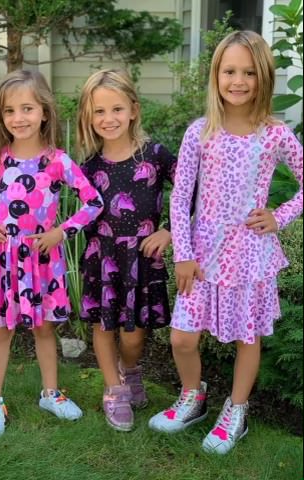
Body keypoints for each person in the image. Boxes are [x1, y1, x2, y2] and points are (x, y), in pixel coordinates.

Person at [149, 30, 303, 454]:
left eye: (249, 72)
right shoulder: (200, 131)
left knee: (246, 339)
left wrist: (279, 216)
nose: (239, 80)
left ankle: (236, 410)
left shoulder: (274, 135)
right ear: (216, 75)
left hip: (249, 257)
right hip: (199, 256)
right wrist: (183, 254)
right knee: (182, 337)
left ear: (264, 77)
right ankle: (193, 396)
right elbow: (181, 197)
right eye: (230, 70)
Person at [0, 70, 103, 437]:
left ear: (44, 111)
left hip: (41, 261)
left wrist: (61, 231)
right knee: (1, 331)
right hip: (4, 260)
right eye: (9, 111)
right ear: (1, 117)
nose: (18, 118)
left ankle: (51, 393)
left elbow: (94, 201)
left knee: (44, 329)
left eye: (27, 108)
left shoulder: (59, 161)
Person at [76, 69, 177, 432]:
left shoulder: (156, 155)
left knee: (134, 334)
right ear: (89, 116)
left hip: (143, 258)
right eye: (99, 112)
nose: (108, 119)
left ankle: (129, 368)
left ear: (133, 109)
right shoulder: (87, 168)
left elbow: (192, 195)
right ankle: (114, 388)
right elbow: (78, 214)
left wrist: (169, 231)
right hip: (102, 259)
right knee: (105, 325)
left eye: (116, 109)